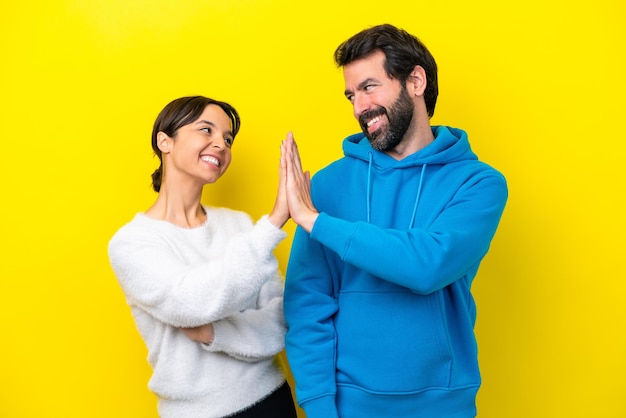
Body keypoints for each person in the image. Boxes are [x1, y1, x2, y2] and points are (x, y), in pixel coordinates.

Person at [281, 24, 508, 418]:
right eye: (351, 95)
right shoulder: (328, 185)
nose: (358, 107)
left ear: (415, 81)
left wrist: (316, 222)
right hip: (348, 406)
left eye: (369, 87)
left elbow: (428, 265)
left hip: (444, 405)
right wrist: (319, 406)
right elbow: (308, 304)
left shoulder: (478, 183)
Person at [108, 96, 297, 418]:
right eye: (206, 130)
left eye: (227, 138)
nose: (220, 145)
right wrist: (275, 221)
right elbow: (191, 303)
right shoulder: (132, 243)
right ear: (164, 141)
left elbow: (281, 319)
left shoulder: (239, 225)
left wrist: (215, 332)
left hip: (272, 399)